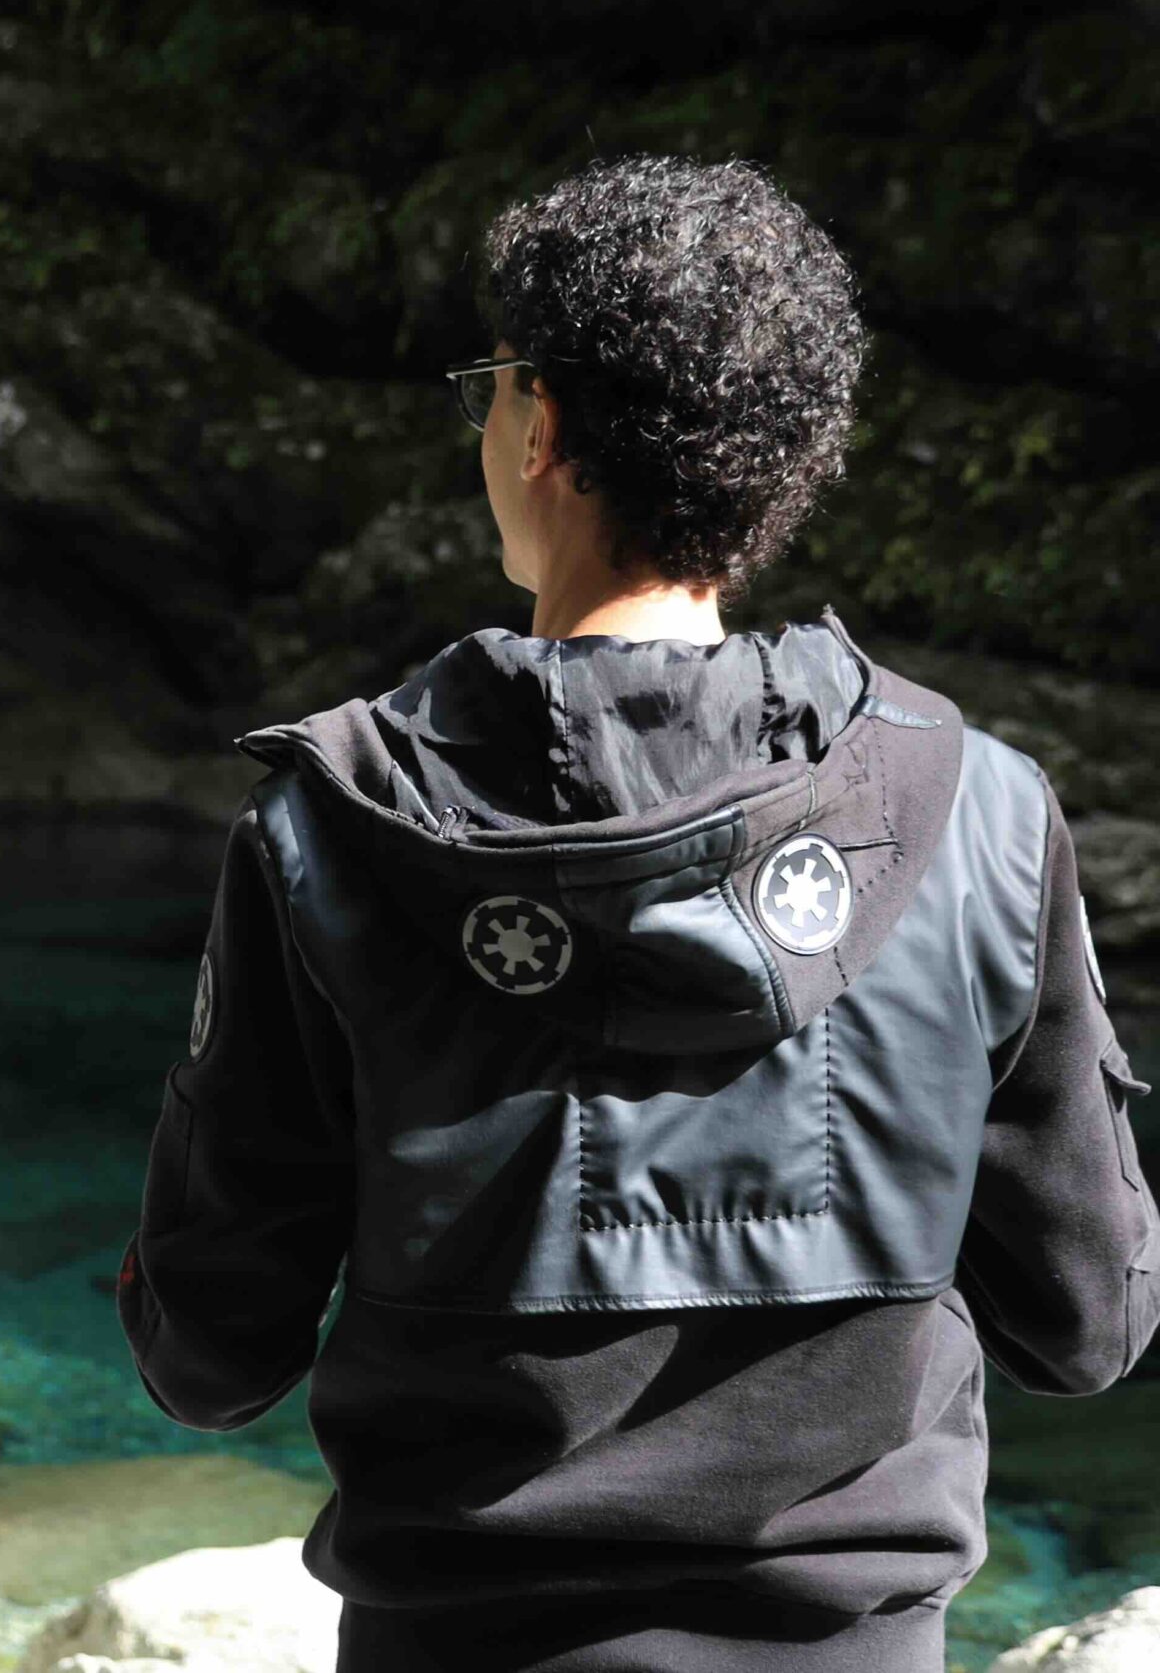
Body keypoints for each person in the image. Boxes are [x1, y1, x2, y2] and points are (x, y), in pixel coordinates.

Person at [115, 155, 1159, 1673]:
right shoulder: (978, 814)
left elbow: (209, 1356)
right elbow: (1088, 1324)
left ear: (539, 426)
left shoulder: (334, 833)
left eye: (492, 388)